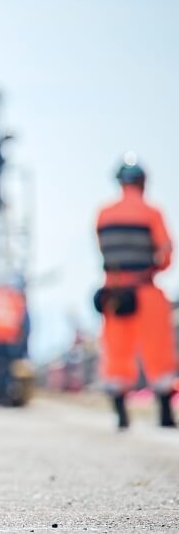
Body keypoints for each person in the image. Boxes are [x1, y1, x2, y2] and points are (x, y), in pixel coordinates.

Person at [94, 153, 176, 429]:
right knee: (158, 353)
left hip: (114, 292)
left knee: (117, 353)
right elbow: (165, 254)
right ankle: (165, 414)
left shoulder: (103, 214)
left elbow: (103, 250)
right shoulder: (152, 213)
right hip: (145, 290)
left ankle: (120, 414)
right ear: (142, 182)